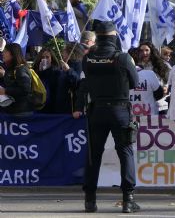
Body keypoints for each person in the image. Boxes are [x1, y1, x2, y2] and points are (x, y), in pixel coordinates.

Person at [73, 21, 140, 213]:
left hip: (97, 110)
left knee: (93, 155)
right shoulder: (123, 58)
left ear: (98, 37)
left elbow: (87, 83)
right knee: (125, 152)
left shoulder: (88, 58)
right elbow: (134, 83)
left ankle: (90, 200)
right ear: (114, 36)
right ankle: (128, 200)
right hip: (119, 110)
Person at [0, 43, 33, 116]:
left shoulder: (21, 69)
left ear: (13, 54)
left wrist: (5, 91)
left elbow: (25, 90)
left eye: (5, 51)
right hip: (12, 111)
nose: (3, 53)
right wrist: (4, 76)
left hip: (21, 112)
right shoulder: (10, 69)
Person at [33, 48, 63, 114]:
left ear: (51, 58)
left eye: (47, 57)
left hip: (51, 105)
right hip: (38, 104)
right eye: (43, 57)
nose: (45, 59)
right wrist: (40, 72)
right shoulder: (35, 70)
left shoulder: (56, 72)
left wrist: (45, 71)